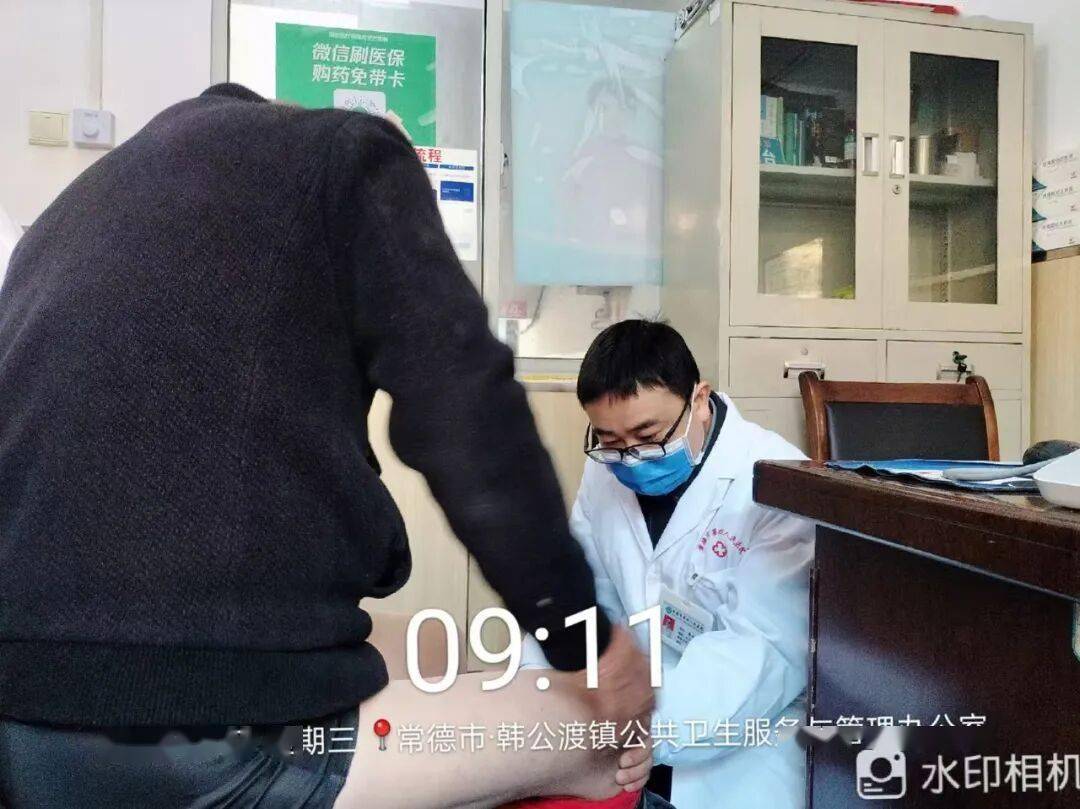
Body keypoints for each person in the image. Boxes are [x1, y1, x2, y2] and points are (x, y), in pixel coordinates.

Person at [0, 83, 653, 807]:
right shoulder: (350, 154)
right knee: (601, 730)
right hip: (195, 736)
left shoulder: (78, 209)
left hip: (20, 721)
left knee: (438, 645)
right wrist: (587, 643)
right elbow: (467, 411)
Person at [523, 320, 815, 808]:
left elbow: (763, 649)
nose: (632, 459)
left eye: (649, 436)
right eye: (611, 440)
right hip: (624, 724)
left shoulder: (776, 484)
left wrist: (645, 727)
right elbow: (584, 595)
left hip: (738, 741)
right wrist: (535, 690)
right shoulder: (607, 469)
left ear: (699, 400)